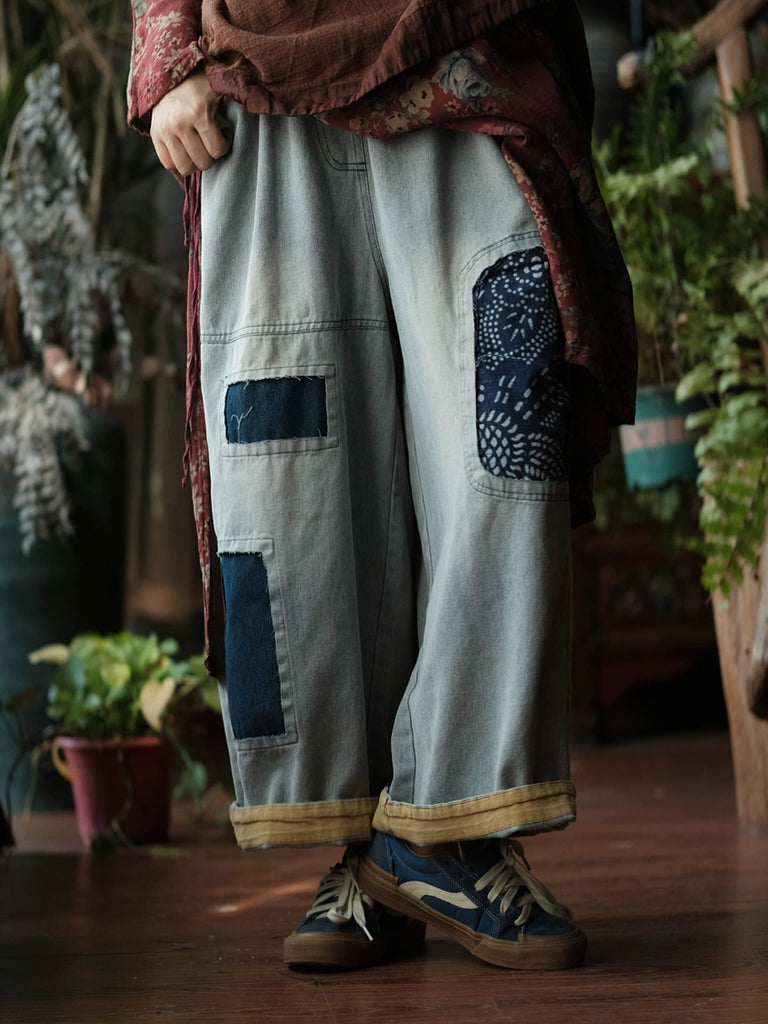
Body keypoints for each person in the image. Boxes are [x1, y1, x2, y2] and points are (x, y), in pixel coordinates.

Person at [128, 0, 637, 972]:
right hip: (255, 78)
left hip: (463, 48)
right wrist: (167, 52)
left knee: (498, 444)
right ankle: (373, 847)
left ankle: (449, 830)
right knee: (289, 468)